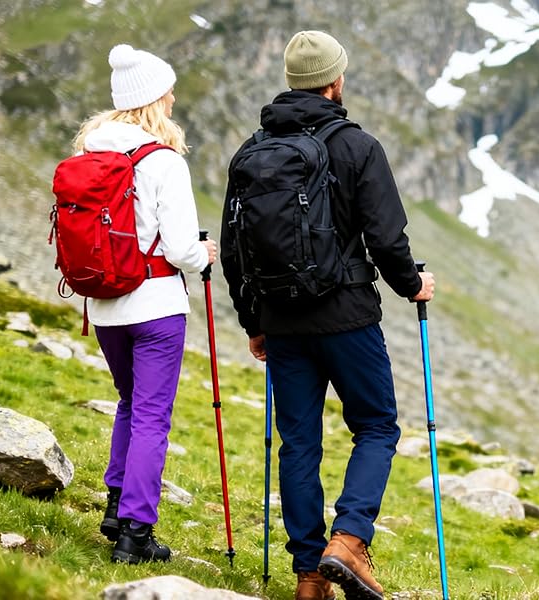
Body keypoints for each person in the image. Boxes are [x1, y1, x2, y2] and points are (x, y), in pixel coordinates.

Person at [220, 30, 435, 600]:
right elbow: (387, 238)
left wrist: (254, 322)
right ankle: (350, 540)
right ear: (336, 82)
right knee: (377, 425)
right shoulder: (358, 146)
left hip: (283, 322)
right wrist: (413, 285)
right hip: (346, 318)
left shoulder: (252, 151)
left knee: (299, 444)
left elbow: (235, 246)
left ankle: (309, 575)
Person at [70, 44, 218, 563]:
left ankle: (116, 505)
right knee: (153, 415)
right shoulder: (162, 161)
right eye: (169, 90)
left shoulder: (90, 153)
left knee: (130, 404)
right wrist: (204, 253)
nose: (175, 98)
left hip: (104, 305)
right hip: (155, 306)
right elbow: (180, 250)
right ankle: (135, 533)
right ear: (155, 98)